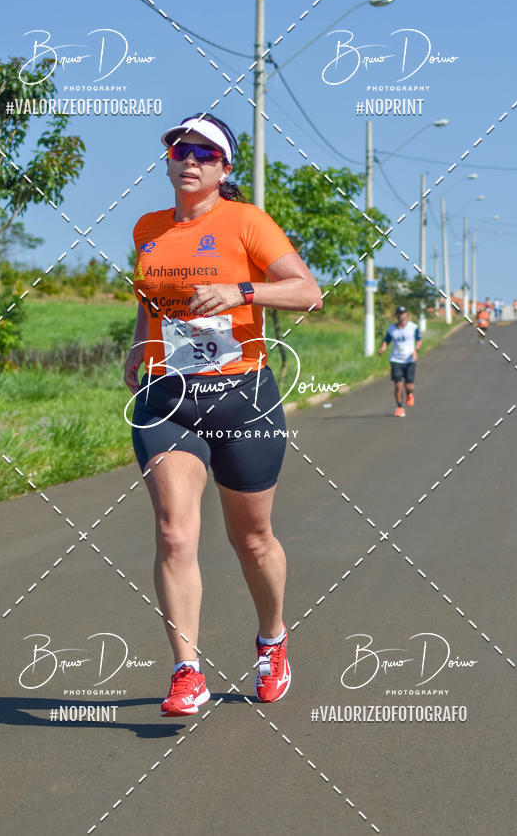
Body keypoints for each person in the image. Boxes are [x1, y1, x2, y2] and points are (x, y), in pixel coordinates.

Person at [123, 113, 323, 716]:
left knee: (252, 537)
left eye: (205, 154)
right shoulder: (147, 229)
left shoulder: (246, 222)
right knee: (174, 531)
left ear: (224, 168)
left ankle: (272, 640)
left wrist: (244, 292)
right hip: (168, 398)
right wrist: (139, 344)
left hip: (242, 396)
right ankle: (187, 670)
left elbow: (307, 291)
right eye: (181, 149)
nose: (190, 160)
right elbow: (150, 300)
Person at [378, 306, 422, 417]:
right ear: (396, 315)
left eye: (402, 313)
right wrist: (383, 348)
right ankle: (399, 407)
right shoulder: (391, 329)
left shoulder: (412, 327)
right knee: (398, 385)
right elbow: (386, 341)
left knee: (409, 386)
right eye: (398, 313)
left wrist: (416, 350)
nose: (400, 315)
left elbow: (419, 340)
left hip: (409, 360)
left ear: (406, 314)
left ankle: (410, 394)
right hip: (396, 359)